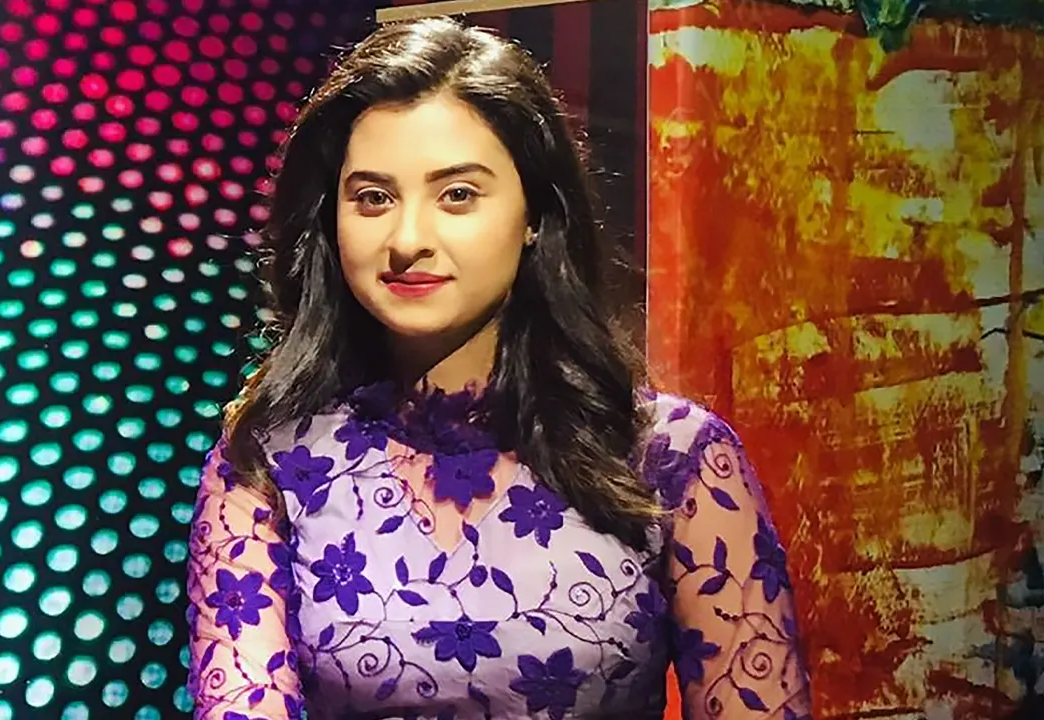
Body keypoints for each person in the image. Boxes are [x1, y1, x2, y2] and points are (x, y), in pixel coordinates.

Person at [184, 16, 811, 720]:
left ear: (535, 212)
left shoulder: (669, 458)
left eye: (457, 194)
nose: (408, 239)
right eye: (373, 198)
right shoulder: (267, 466)